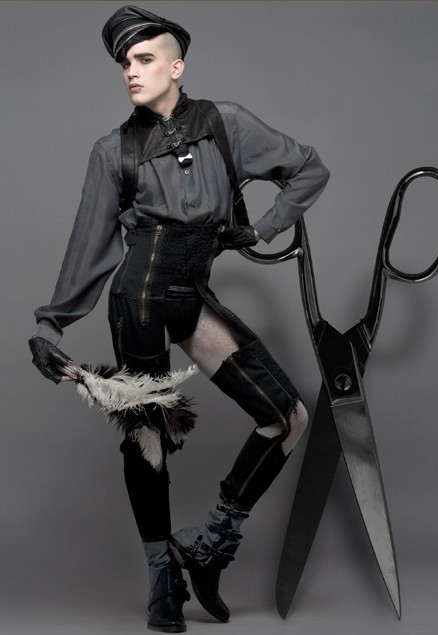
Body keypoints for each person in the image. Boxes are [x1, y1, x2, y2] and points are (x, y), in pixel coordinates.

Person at [28, 5, 330, 633]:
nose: (130, 72)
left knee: (287, 416)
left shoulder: (226, 124)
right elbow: (88, 247)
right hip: (136, 299)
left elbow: (308, 169)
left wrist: (261, 228)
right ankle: (161, 576)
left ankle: (209, 545)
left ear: (177, 66)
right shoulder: (112, 150)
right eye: (124, 63)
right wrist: (50, 327)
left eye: (144, 59)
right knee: (148, 437)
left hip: (191, 293)